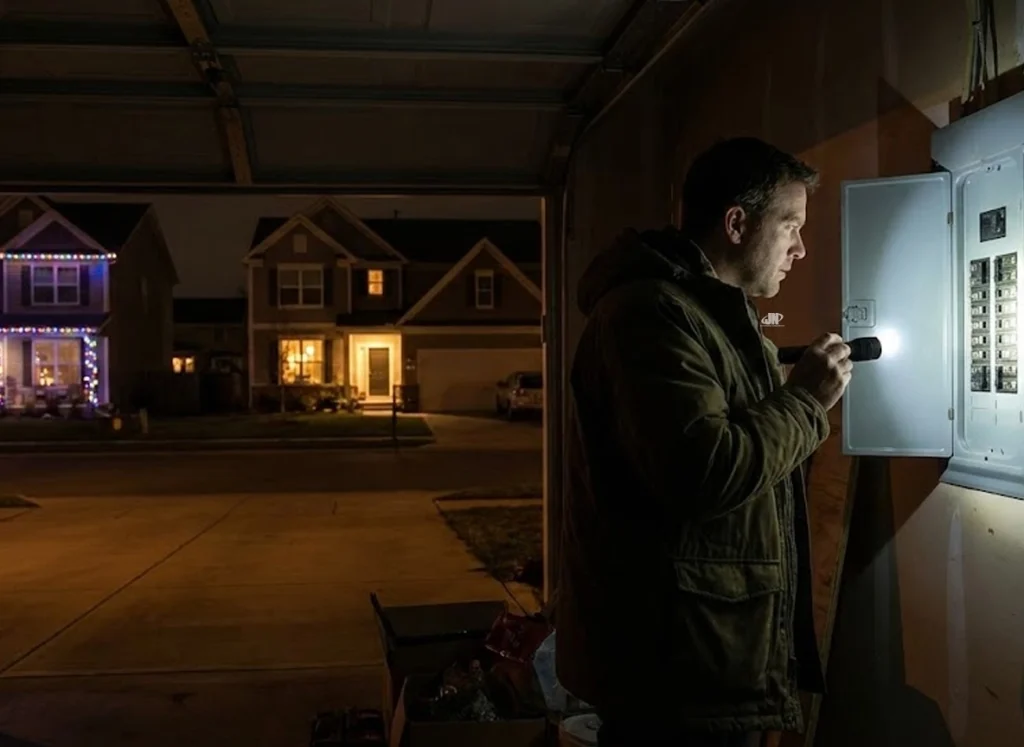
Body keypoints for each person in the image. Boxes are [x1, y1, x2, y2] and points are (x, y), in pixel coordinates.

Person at [555, 137, 853, 747]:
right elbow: (706, 471)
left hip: (705, 658)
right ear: (737, 223)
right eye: (791, 225)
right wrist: (804, 400)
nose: (800, 248)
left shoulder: (714, 318)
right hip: (675, 674)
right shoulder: (651, 316)